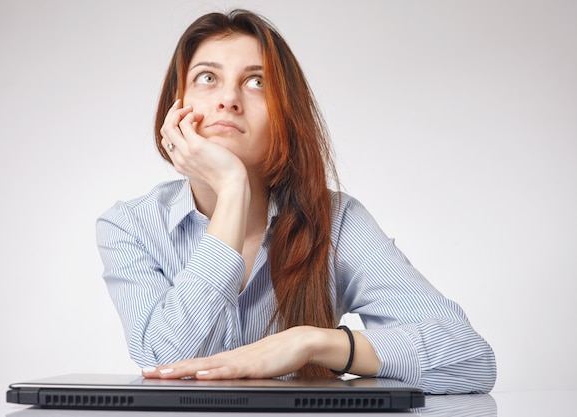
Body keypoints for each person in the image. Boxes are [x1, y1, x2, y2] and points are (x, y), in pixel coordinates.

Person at [96, 9, 496, 394]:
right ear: (176, 105)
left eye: (257, 83)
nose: (229, 100)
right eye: (206, 78)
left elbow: (471, 359)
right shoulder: (130, 225)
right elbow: (168, 361)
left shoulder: (337, 220)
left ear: (286, 114)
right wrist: (233, 188)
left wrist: (312, 343)